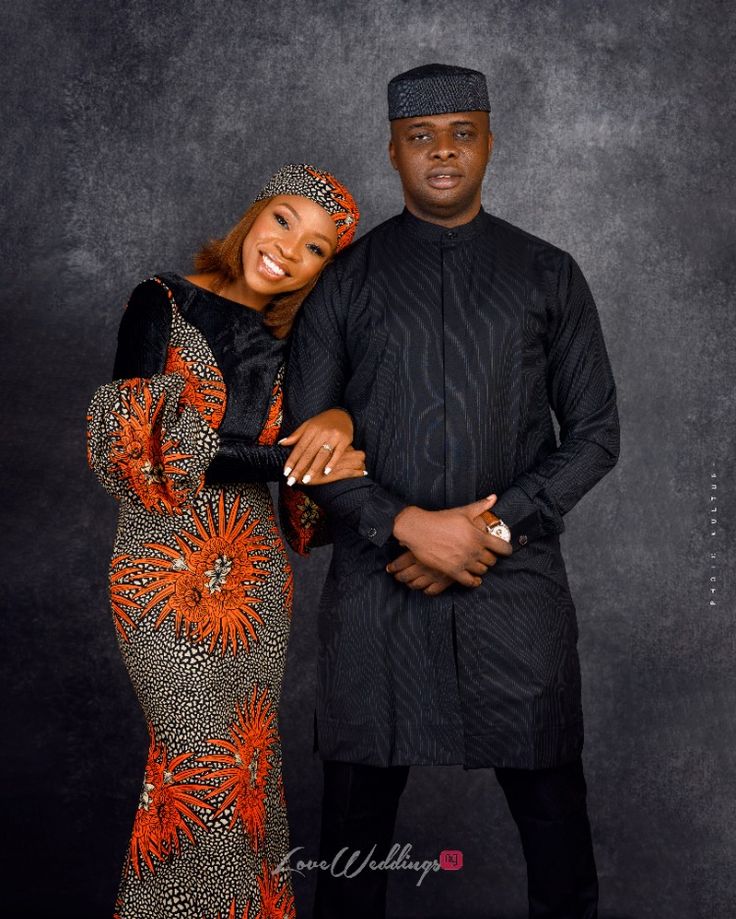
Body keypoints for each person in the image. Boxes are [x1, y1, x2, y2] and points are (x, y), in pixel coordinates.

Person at [279, 64, 620, 919]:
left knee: (558, 842)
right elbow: (307, 441)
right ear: (392, 150)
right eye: (422, 135)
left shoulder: (548, 272)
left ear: (490, 143)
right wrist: (404, 527)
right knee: (351, 856)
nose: (443, 151)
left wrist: (491, 530)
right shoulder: (343, 281)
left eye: (462, 133)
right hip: (375, 594)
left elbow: (594, 436)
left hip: (517, 592)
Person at [85, 163, 363, 919]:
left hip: (256, 578)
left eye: (315, 248)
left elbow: (328, 473)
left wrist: (336, 430)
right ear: (254, 213)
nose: (287, 250)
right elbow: (150, 444)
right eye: (283, 220)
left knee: (245, 771)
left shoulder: (303, 342)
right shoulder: (163, 301)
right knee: (194, 766)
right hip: (160, 568)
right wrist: (293, 454)